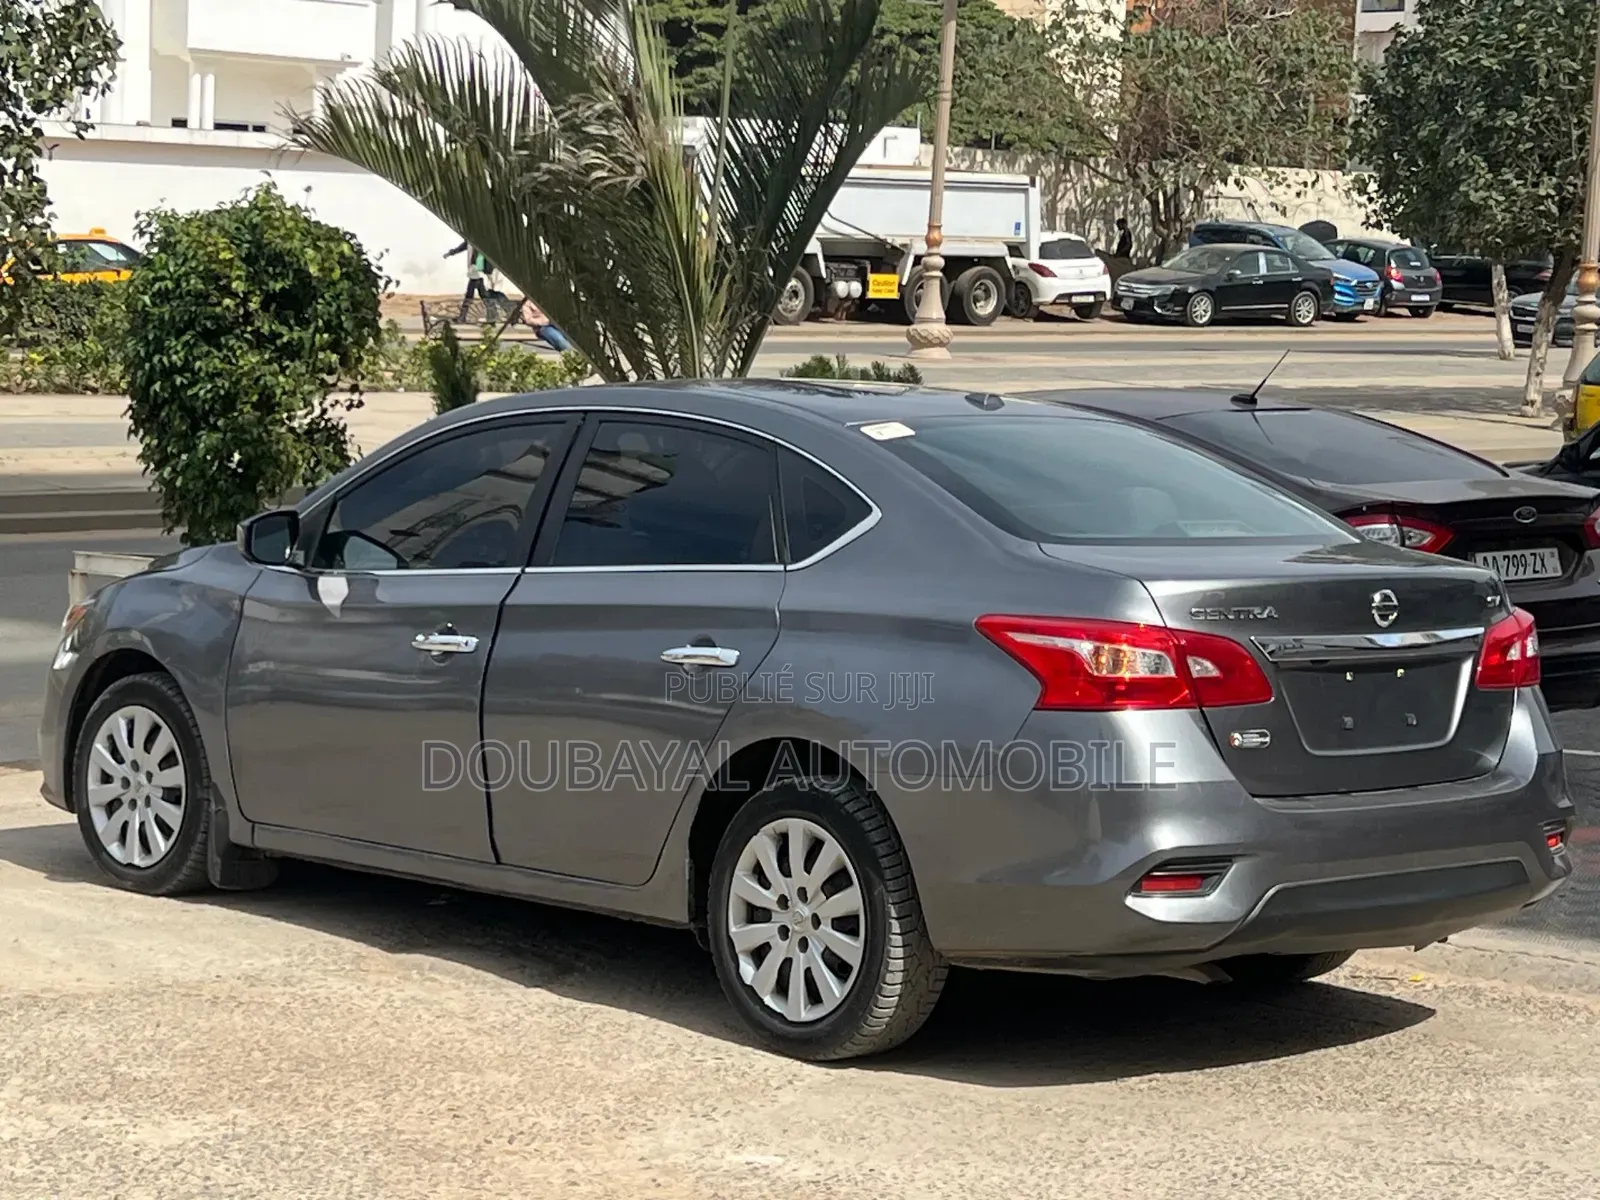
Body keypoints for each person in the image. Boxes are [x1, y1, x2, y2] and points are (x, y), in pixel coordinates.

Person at [444, 240, 492, 321]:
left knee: (470, 295)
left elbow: (481, 256)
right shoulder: (469, 241)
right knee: (482, 294)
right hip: (475, 271)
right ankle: (493, 315)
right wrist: (449, 253)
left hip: (476, 270)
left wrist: (479, 269)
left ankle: (462, 317)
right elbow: (460, 248)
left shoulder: (478, 241)